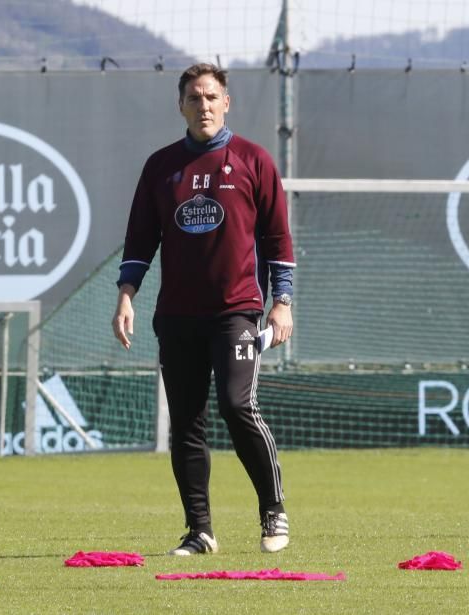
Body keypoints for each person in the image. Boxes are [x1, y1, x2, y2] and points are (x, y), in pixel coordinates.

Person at [112, 63, 295, 555]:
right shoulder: (160, 166)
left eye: (212, 97)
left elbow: (278, 238)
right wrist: (126, 295)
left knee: (238, 406)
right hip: (177, 316)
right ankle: (200, 530)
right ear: (181, 106)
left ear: (227, 102)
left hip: (236, 311)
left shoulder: (254, 160)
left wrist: (282, 303)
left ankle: (273, 511)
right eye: (194, 98)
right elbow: (140, 239)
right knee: (187, 422)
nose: (204, 106)